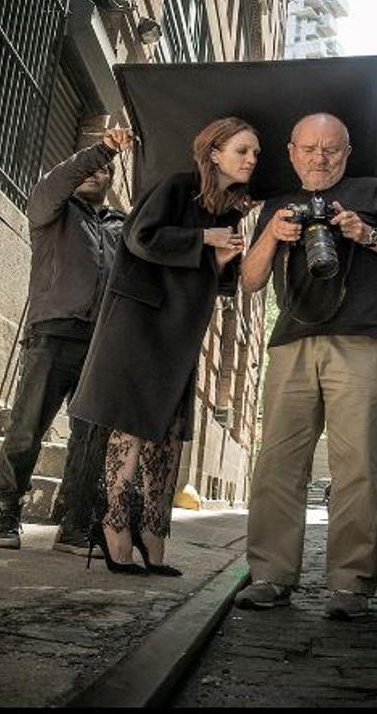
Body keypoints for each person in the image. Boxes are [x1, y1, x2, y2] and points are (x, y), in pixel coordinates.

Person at [235, 112, 377, 620]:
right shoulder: (277, 206)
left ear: (346, 153)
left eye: (331, 149)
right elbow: (251, 280)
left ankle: (349, 586)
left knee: (357, 467)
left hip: (362, 341)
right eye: (309, 148)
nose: (319, 158)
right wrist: (272, 236)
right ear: (292, 151)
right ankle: (269, 576)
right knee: (278, 463)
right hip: (291, 344)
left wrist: (367, 235)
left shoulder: (374, 192)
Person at [68, 116, 260, 576]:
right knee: (130, 429)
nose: (252, 159)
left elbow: (223, 285)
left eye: (255, 153)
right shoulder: (175, 187)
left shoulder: (230, 209)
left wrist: (225, 254)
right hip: (140, 325)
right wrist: (202, 238)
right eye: (242, 150)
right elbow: (140, 238)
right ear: (214, 152)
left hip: (181, 330)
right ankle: (114, 530)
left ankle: (154, 535)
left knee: (168, 437)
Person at [0, 128, 134, 554]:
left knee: (89, 440)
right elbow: (56, 181)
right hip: (50, 335)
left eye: (105, 169)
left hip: (98, 347)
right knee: (26, 428)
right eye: (90, 165)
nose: (95, 172)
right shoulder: (52, 210)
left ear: (112, 182)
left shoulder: (119, 227)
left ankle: (72, 526)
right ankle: (6, 514)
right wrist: (103, 149)